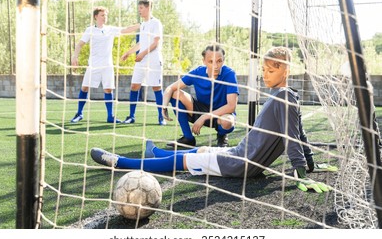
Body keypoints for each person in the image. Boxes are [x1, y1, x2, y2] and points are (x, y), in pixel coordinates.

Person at [91, 46, 337, 192]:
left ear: (286, 71)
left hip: (241, 164)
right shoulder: (284, 95)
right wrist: (312, 164)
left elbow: (293, 137)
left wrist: (302, 173)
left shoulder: (285, 97)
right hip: (239, 152)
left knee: (185, 160)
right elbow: (301, 134)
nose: (265, 75)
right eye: (263, 70)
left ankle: (122, 162)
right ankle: (155, 152)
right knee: (201, 150)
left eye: (271, 71)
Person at [70, 6, 139, 124]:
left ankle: (110, 116)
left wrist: (139, 25)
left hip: (107, 66)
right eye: (102, 15)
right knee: (85, 88)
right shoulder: (90, 30)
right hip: (93, 65)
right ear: (96, 17)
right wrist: (75, 56)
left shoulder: (110, 29)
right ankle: (79, 113)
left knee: (108, 89)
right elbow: (80, 44)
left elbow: (125, 29)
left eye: (106, 15)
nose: (105, 17)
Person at [162, 44, 239, 148]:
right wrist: (164, 107)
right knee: (176, 93)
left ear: (223, 60)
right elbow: (170, 88)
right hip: (200, 110)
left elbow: (231, 106)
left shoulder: (229, 74)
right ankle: (188, 138)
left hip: (221, 114)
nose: (215, 66)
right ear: (204, 61)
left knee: (227, 121)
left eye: (219, 61)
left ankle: (222, 136)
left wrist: (204, 117)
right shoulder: (197, 72)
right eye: (211, 61)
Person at [120, 0, 165, 126]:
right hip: (141, 60)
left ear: (148, 8)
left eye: (141, 8)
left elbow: (155, 43)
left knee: (156, 87)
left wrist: (142, 54)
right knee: (134, 86)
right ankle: (131, 116)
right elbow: (141, 43)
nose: (139, 10)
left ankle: (161, 117)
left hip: (153, 59)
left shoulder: (156, 23)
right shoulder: (143, 25)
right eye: (138, 8)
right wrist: (129, 53)